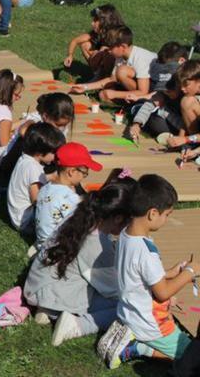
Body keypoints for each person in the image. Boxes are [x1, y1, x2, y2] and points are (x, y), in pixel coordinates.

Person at [24, 179, 135, 346]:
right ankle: (77, 324)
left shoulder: (80, 215)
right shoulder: (98, 245)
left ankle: (48, 311)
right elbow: (113, 289)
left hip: (37, 284)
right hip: (53, 295)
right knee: (128, 309)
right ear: (119, 218)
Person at [98, 175, 192, 369]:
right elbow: (163, 292)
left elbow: (138, 274)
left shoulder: (125, 234)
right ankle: (135, 348)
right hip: (151, 325)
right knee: (194, 358)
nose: (167, 219)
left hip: (129, 313)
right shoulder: (147, 252)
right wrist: (190, 272)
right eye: (167, 214)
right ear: (152, 213)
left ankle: (134, 341)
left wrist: (169, 273)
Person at [34, 143, 101, 254]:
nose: (84, 177)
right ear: (72, 172)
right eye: (85, 174)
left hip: (42, 241)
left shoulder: (46, 187)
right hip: (55, 248)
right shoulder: (69, 198)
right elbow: (83, 223)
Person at [70, 26, 155, 102]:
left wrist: (114, 94)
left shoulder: (140, 57)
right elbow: (112, 79)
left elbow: (143, 91)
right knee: (103, 95)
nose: (108, 50)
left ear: (123, 47)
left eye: (111, 47)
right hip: (139, 85)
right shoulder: (120, 56)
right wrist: (84, 87)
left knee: (121, 71)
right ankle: (130, 100)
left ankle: (137, 103)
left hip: (154, 88)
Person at [6, 122, 64, 232]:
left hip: (17, 215)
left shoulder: (25, 159)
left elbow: (31, 180)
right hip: (25, 221)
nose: (55, 156)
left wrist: (51, 177)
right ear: (40, 152)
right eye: (53, 152)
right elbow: (37, 200)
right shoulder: (34, 168)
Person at [63, 4, 125, 75]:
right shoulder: (96, 34)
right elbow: (75, 41)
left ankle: (105, 76)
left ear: (105, 21)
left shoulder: (118, 34)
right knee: (85, 45)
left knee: (103, 50)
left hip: (119, 65)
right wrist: (70, 55)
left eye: (95, 21)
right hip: (106, 60)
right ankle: (97, 73)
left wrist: (101, 52)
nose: (92, 23)